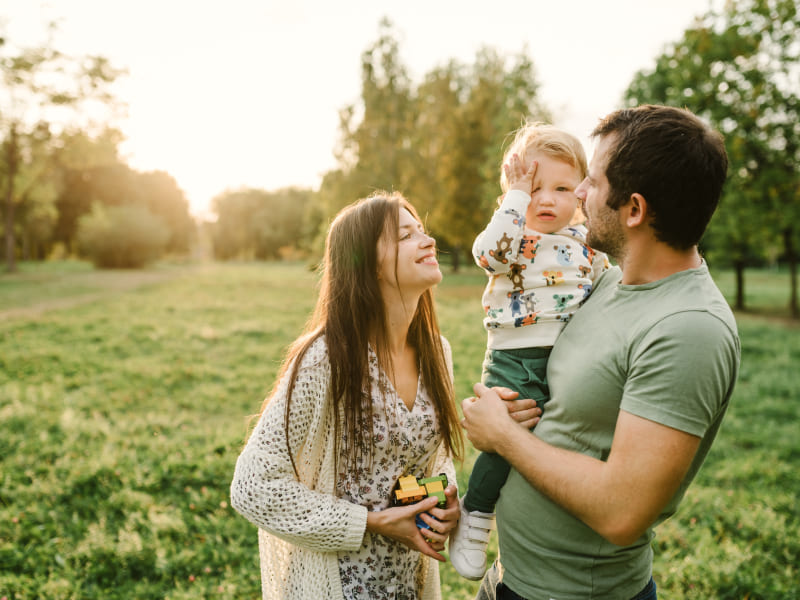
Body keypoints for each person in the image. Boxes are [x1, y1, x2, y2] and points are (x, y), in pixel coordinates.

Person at [461, 105, 740, 600]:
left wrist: (503, 437)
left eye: (589, 181)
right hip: (511, 579)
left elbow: (621, 511)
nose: (579, 194)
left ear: (633, 209)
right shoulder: (603, 283)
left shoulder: (689, 329)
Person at [229, 192, 465, 600]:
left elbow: (434, 458)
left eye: (423, 232)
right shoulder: (325, 359)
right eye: (406, 236)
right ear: (367, 264)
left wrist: (446, 499)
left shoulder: (436, 351)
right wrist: (371, 522)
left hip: (407, 586)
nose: (427, 241)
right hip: (335, 587)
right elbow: (253, 485)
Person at [449, 123, 609, 580]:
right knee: (504, 439)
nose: (546, 199)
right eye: (534, 187)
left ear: (580, 193)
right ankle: (476, 516)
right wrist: (514, 198)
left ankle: (540, 524)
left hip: (567, 358)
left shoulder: (585, 243)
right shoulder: (512, 236)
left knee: (551, 440)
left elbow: (605, 285)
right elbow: (488, 255)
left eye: (561, 188)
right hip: (515, 358)